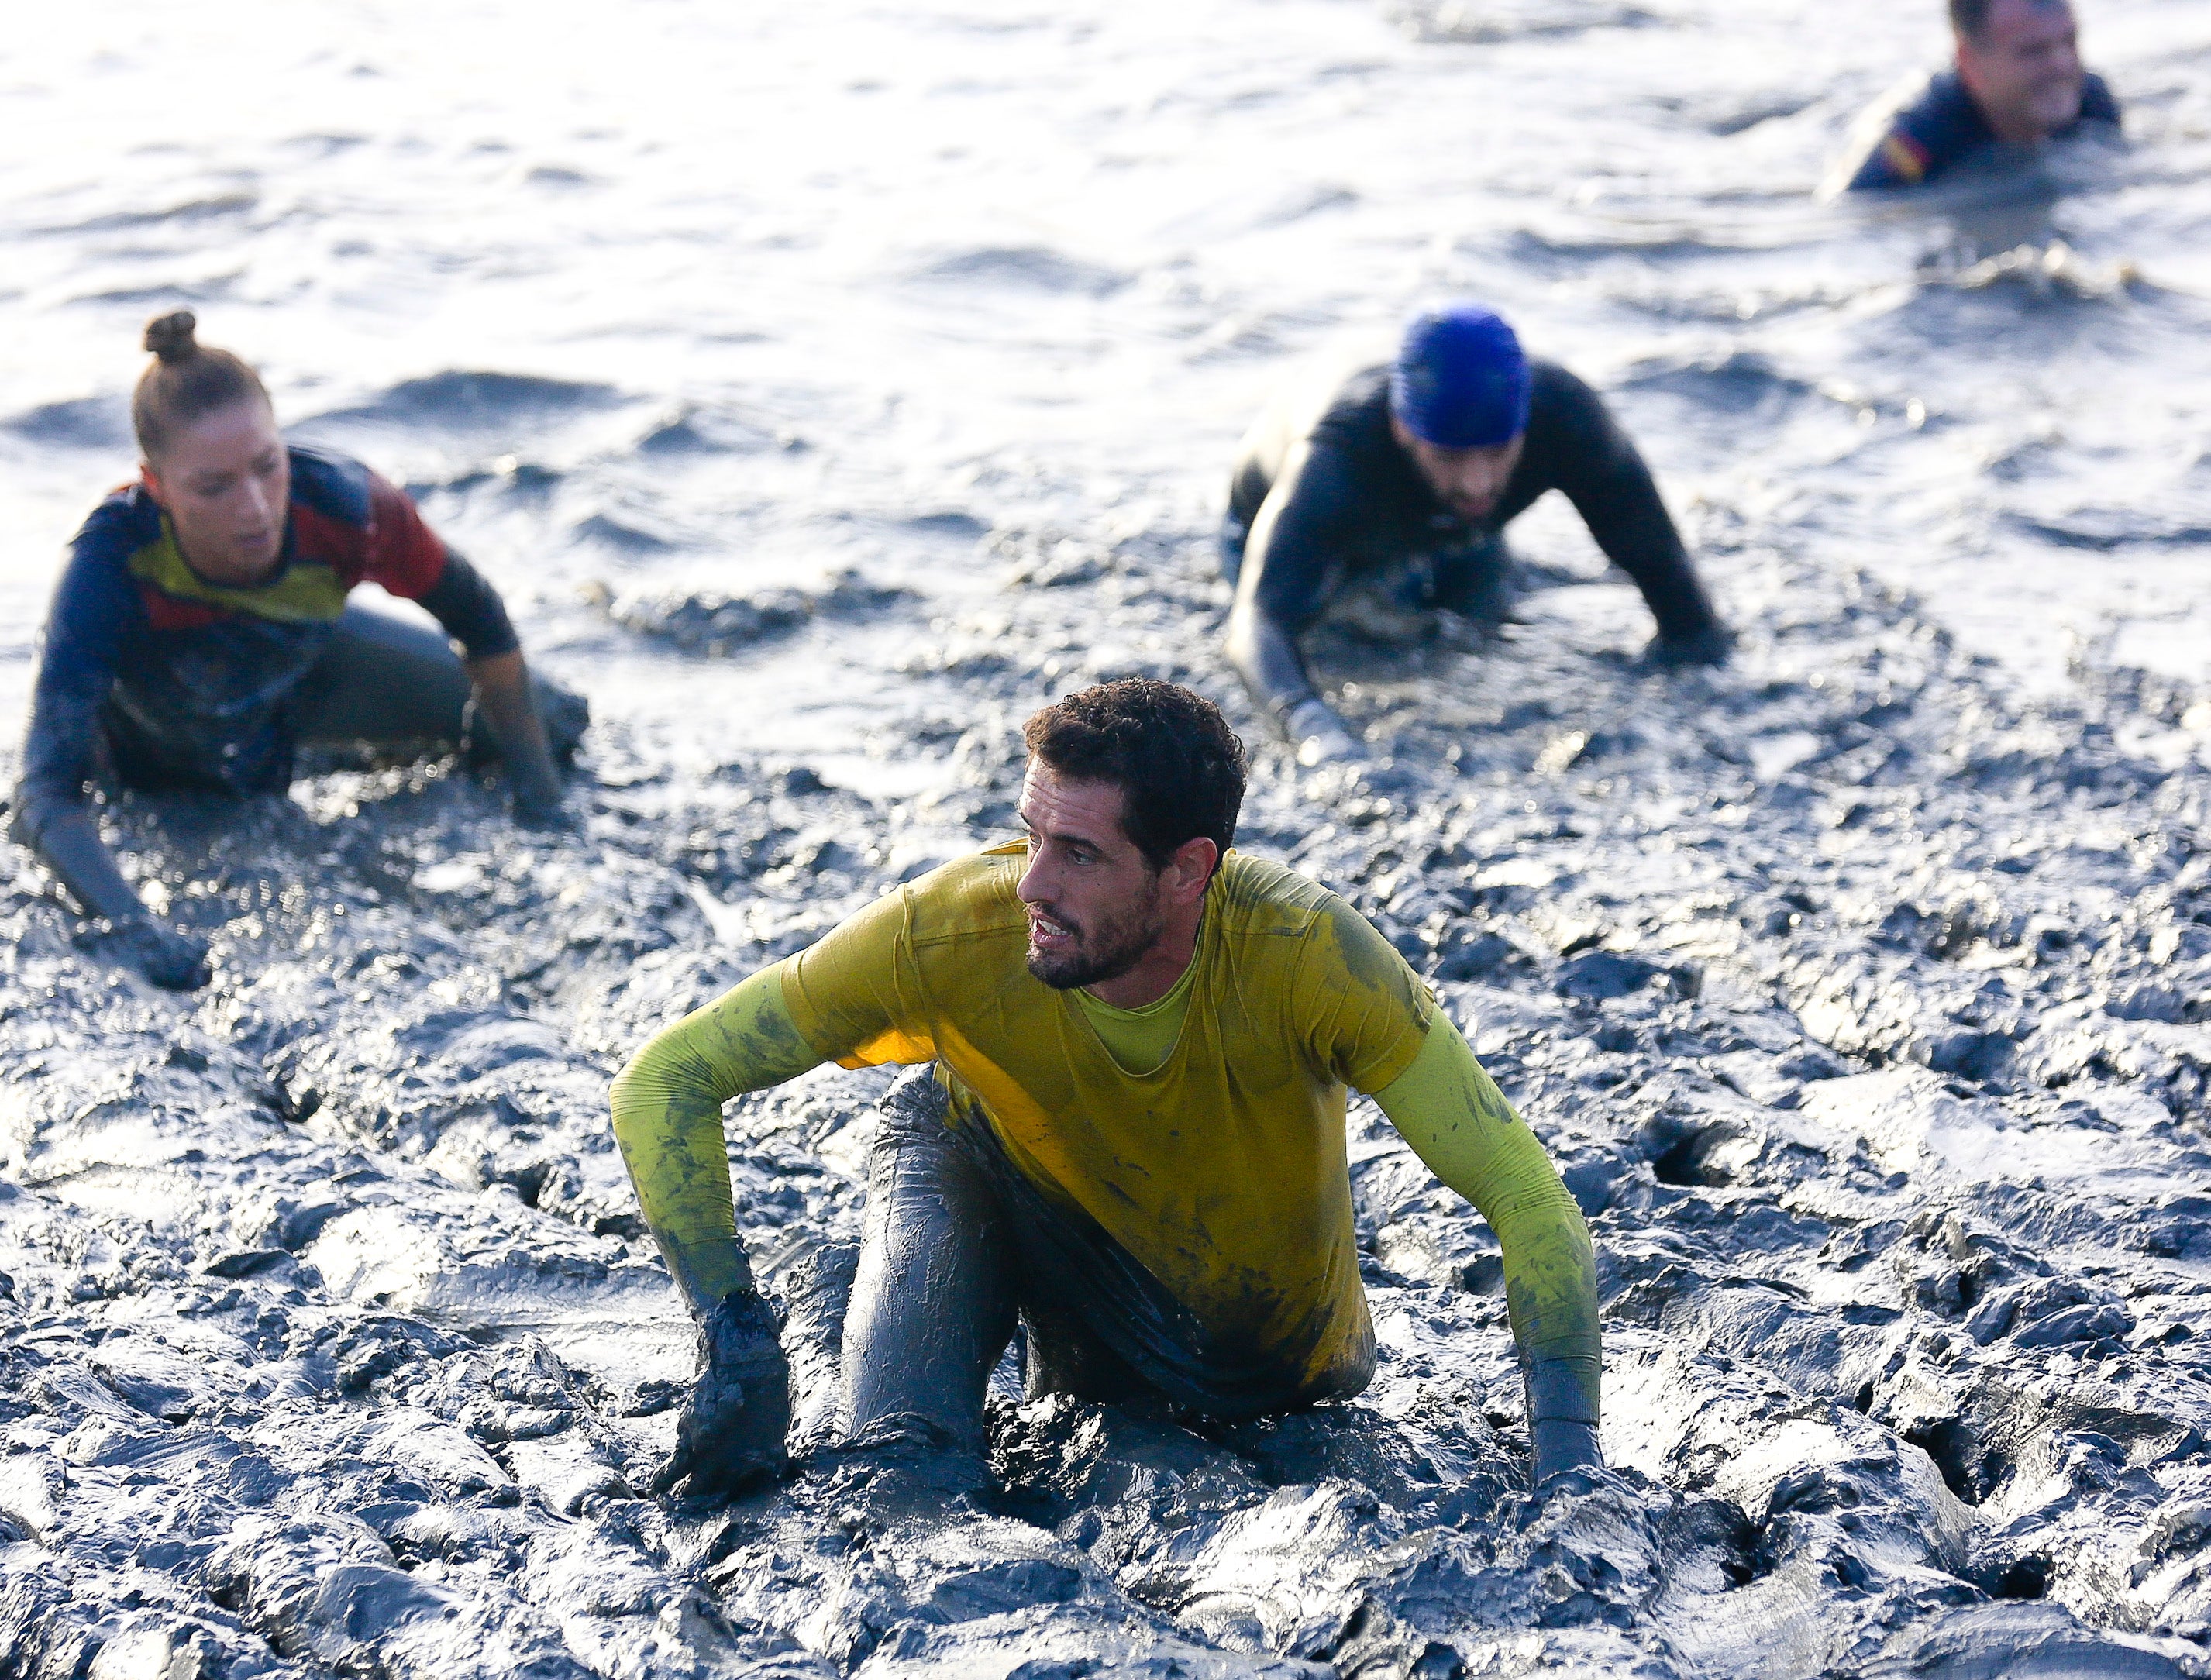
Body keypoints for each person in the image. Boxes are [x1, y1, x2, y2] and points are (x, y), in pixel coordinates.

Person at [611, 678, 1602, 1498]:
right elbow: (665, 1078)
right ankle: (848, 1333)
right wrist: (731, 1326)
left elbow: (1528, 1196)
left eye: (1079, 852)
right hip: (971, 1165)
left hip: (1275, 1366)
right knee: (906, 1483)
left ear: (1188, 871)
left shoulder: (1307, 957)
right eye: (1030, 835)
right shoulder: (951, 929)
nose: (1031, 884)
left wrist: (1570, 1475)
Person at [12, 312, 586, 991]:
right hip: (161, 748)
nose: (254, 508)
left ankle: (357, 753)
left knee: (554, 723)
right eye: (213, 487)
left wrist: (541, 805)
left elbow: (483, 624)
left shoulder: (349, 507)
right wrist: (136, 925)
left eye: (266, 467)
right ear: (158, 485)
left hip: (301, 680)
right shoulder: (108, 566)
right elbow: (44, 793)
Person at [1222, 304, 1731, 766]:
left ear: (1524, 427)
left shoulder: (1566, 416)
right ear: (1402, 428)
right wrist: (1318, 735)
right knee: (1343, 662)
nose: (1478, 483)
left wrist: (1703, 704)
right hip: (1288, 532)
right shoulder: (1336, 459)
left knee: (1480, 645)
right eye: (1450, 455)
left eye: (1497, 451)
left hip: (1458, 537)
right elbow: (1258, 623)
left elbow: (1663, 568)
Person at [1834, 0, 2119, 194]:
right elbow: (1852, 212)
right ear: (1968, 60)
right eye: (2034, 51)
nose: (2062, 66)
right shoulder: (1919, 136)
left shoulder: (2092, 101)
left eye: (2069, 42)